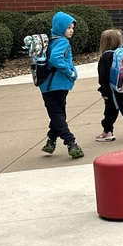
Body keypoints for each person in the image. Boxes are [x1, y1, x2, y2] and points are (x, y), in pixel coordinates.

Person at [38, 11, 83, 159]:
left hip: (48, 85)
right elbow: (55, 59)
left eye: (72, 28)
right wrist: (69, 72)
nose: (71, 30)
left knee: (57, 114)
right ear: (60, 27)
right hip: (57, 84)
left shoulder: (52, 40)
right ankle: (71, 142)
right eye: (69, 27)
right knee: (58, 114)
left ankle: (51, 141)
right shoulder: (62, 41)